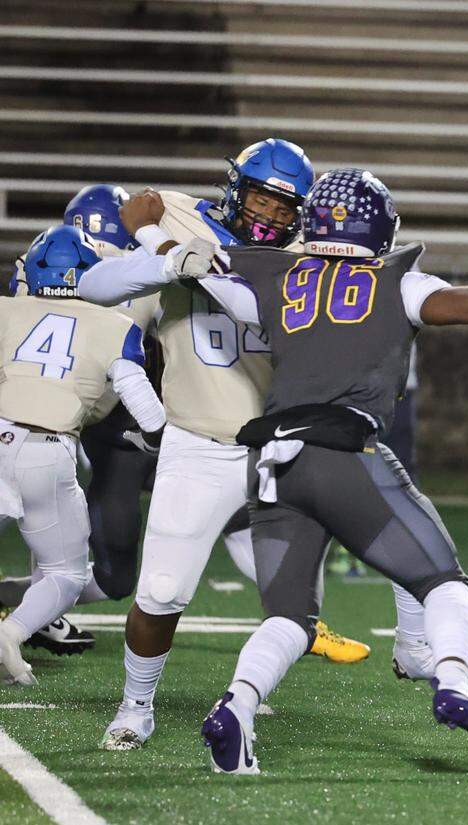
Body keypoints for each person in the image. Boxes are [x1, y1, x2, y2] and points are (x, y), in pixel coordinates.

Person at [101, 167, 468, 772]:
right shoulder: (399, 282)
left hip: (273, 464)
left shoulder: (271, 274)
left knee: (290, 618)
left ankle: (236, 707)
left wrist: (150, 232)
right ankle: (453, 683)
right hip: (341, 449)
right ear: (382, 228)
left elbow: (197, 268)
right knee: (442, 580)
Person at [76, 140, 369, 752]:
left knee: (301, 601)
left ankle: (427, 655)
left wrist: (178, 251)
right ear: (236, 189)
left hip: (282, 450)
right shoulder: (180, 220)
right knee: (161, 591)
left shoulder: (306, 256)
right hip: (200, 441)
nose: (270, 216)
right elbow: (96, 286)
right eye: (261, 199)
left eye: (285, 208)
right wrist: (166, 260)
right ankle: (136, 706)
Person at [0, 226, 166, 684]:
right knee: (65, 574)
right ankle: (11, 633)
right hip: (47, 452)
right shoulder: (114, 326)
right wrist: (154, 442)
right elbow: (147, 409)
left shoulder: (7, 309)